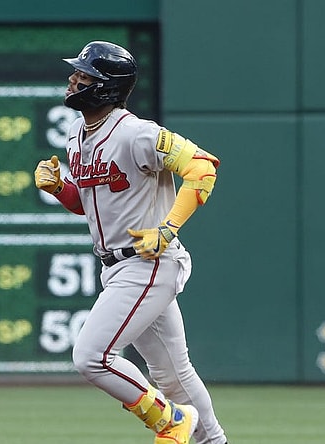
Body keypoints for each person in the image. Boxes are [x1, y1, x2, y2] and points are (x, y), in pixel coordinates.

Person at [34, 41, 229, 444]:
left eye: (84, 75)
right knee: (173, 375)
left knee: (91, 357)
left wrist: (168, 228)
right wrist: (62, 191)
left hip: (148, 259)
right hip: (118, 264)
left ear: (105, 87)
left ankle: (170, 420)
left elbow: (203, 169)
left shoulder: (137, 133)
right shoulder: (77, 134)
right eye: (77, 73)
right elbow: (96, 207)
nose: (73, 79)